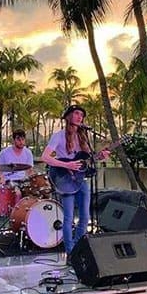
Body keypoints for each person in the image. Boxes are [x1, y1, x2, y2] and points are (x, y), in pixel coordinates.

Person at [41, 105, 109, 262]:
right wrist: (67, 165)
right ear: (68, 117)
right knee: (69, 218)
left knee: (85, 217)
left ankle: (78, 248)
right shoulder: (58, 136)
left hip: (81, 179)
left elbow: (86, 160)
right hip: (65, 179)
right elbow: (45, 157)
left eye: (82, 115)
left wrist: (100, 156)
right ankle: (70, 251)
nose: (80, 117)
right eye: (77, 114)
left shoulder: (83, 137)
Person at [0, 129, 34, 200]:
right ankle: (16, 211)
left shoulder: (28, 152)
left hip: (23, 181)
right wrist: (2, 177)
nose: (21, 142)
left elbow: (30, 170)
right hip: (9, 181)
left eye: (23, 139)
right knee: (17, 193)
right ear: (13, 140)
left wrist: (33, 180)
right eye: (18, 140)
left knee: (33, 193)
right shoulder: (4, 153)